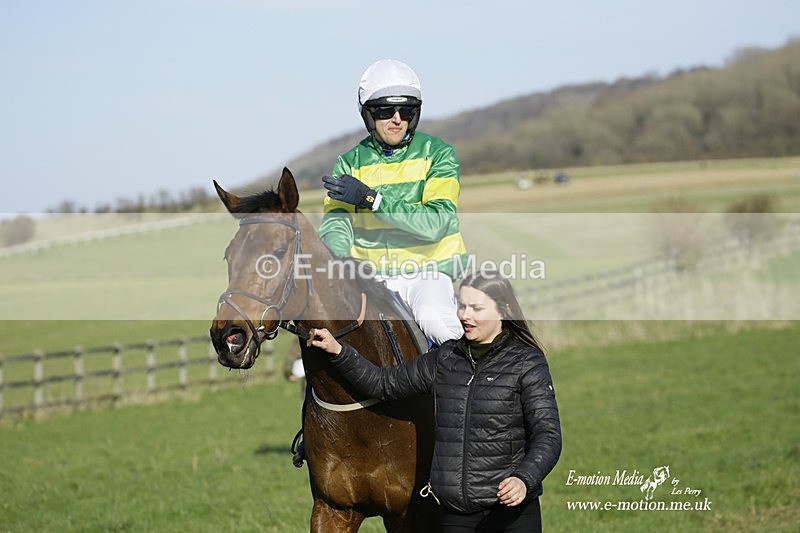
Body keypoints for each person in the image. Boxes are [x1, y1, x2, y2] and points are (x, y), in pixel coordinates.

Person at [310, 270, 562, 533]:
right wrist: (339, 351)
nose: (465, 315)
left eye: (476, 308)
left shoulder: (528, 363)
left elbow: (548, 435)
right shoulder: (444, 358)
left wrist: (524, 479)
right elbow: (382, 383)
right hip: (456, 516)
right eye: (461, 305)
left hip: (511, 514)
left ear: (504, 310)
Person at [318, 58, 468, 346]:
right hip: (371, 279)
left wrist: (371, 199)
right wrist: (337, 259)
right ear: (369, 115)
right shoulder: (348, 163)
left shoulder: (438, 154)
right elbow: (337, 224)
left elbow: (435, 223)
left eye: (406, 110)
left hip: (427, 274)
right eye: (386, 110)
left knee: (436, 321)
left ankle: (473, 385)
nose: (397, 118)